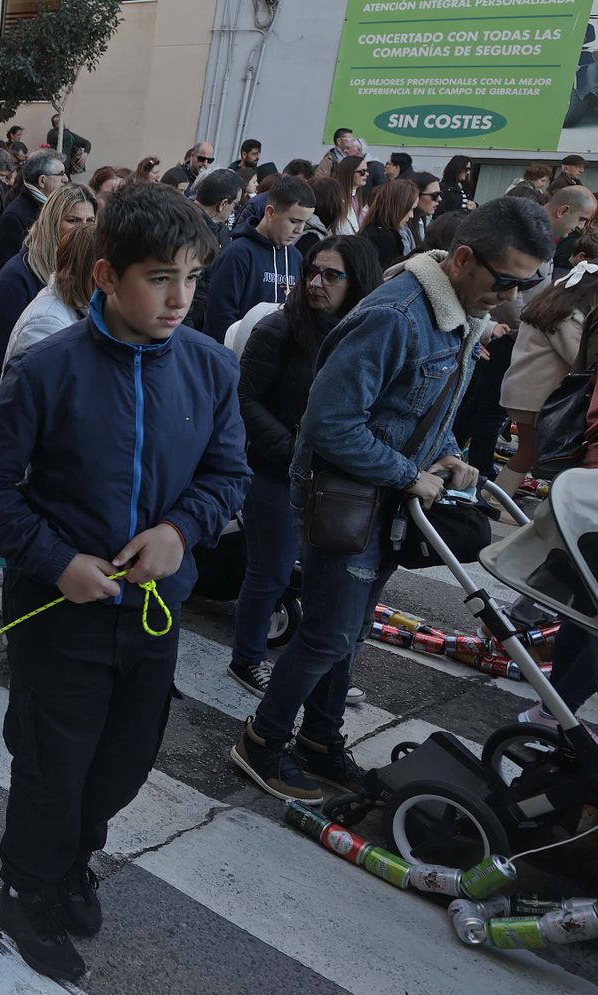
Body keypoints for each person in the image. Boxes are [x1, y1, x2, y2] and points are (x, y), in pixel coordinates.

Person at [0, 181, 247, 984]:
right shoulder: (49, 370)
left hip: (154, 615)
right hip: (62, 612)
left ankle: (76, 857)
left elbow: (229, 472)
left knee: (123, 759)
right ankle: (26, 887)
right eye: (159, 276)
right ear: (106, 279)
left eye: (192, 276)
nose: (180, 297)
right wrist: (58, 561)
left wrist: (179, 530)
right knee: (54, 762)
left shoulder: (212, 369)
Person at [232, 199, 553, 802]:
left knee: (347, 634)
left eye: (525, 283)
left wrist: (450, 452)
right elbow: (328, 426)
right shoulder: (398, 315)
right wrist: (410, 473)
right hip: (347, 501)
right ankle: (261, 743)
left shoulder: (455, 308)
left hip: (384, 501)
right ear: (462, 259)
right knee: (326, 635)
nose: (511, 296)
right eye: (505, 280)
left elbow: (421, 405)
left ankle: (321, 742)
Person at [225, 236, 381, 700]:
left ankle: (318, 670)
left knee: (324, 578)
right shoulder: (278, 328)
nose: (316, 283)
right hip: (273, 471)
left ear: (358, 281)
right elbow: (245, 399)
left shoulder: (365, 330)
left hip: (335, 477)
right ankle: (247, 659)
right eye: (312, 271)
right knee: (269, 571)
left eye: (331, 275)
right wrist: (291, 449)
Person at [493, 231, 598, 496]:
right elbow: (579, 359)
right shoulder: (567, 316)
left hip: (524, 390)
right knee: (531, 453)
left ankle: (495, 501)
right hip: (538, 395)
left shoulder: (552, 302)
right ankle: (494, 502)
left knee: (529, 453)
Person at [0, 183, 96, 393]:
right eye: (73, 220)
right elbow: (12, 361)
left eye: (90, 221)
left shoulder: (85, 275)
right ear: (52, 222)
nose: (84, 229)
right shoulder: (16, 277)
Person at [204, 175, 314, 344]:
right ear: (270, 213)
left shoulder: (295, 256)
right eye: (293, 221)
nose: (299, 230)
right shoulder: (238, 254)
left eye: (305, 223)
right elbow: (220, 318)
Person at [188, 168, 245, 334]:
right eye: (235, 205)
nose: (233, 211)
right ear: (223, 204)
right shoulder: (191, 230)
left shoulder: (218, 229)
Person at [0, 151, 66, 272]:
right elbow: (6, 268)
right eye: (61, 174)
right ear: (42, 180)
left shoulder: (52, 207)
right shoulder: (14, 217)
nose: (66, 179)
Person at [359, 178, 419, 271]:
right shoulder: (382, 239)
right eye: (410, 209)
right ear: (398, 207)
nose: (412, 215)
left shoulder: (374, 230)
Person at [332, 156, 369, 234]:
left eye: (366, 170)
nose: (367, 174)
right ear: (349, 172)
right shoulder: (337, 199)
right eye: (362, 171)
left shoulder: (355, 197)